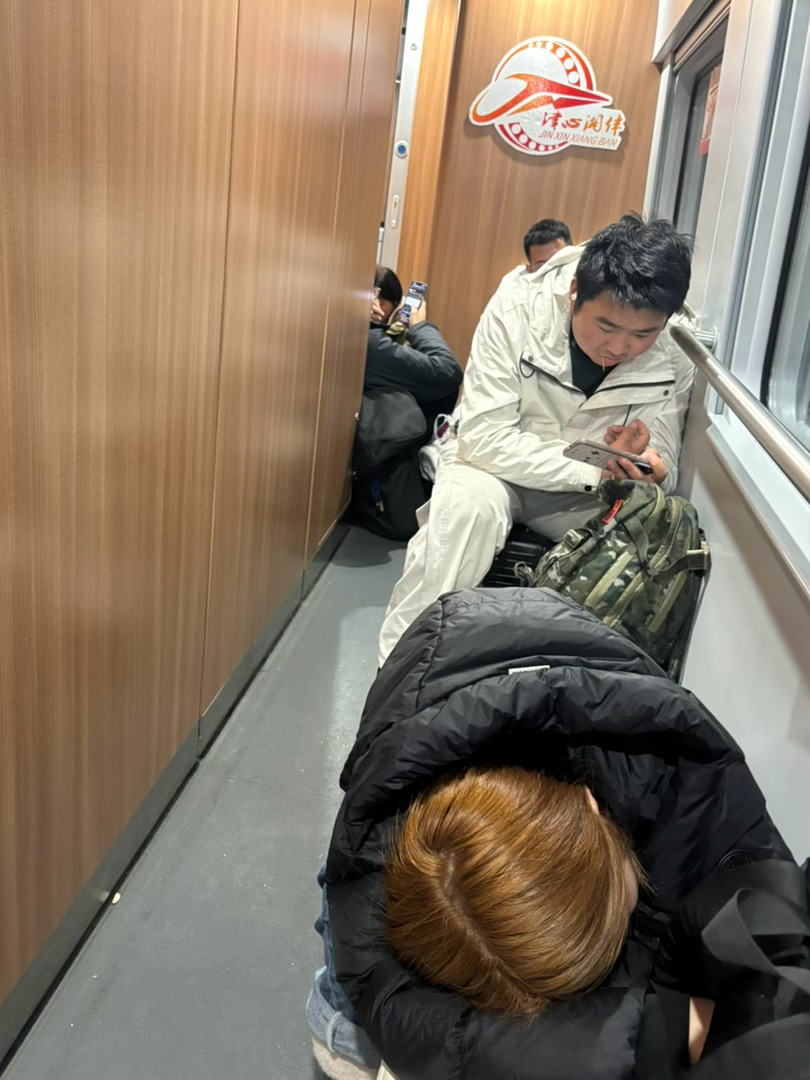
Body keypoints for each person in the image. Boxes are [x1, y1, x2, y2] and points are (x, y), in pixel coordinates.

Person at [306, 589, 805, 1080]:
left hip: (514, 647)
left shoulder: (663, 768)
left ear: (591, 801)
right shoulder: (403, 840)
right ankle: (336, 1023)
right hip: (433, 684)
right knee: (348, 892)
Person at [377, 214, 694, 664]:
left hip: (584, 490)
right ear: (574, 294)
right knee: (464, 514)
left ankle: (577, 685)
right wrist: (594, 470)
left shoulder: (676, 352)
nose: (621, 347)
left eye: (643, 333)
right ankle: (401, 674)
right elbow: (484, 438)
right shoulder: (518, 305)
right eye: (606, 327)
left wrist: (648, 471)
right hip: (492, 468)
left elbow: (666, 463)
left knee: (650, 541)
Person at [349, 268, 462, 541]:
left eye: (385, 301)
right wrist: (420, 327)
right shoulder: (369, 344)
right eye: (375, 297)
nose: (380, 306)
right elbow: (448, 372)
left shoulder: (370, 336)